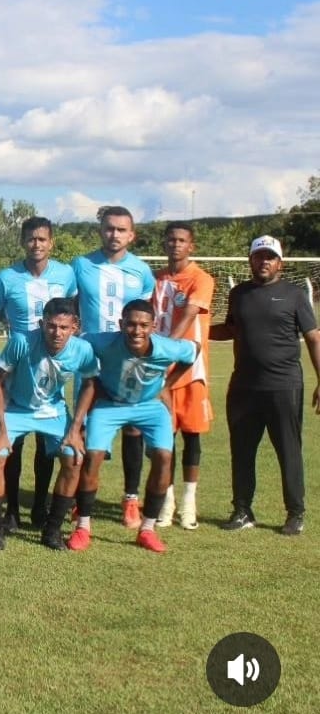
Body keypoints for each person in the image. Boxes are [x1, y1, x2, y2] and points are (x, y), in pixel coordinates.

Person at [67, 300, 198, 554]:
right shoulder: (103, 341)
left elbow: (194, 351)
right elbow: (79, 339)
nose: (136, 330)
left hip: (149, 405)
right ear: (121, 324)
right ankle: (83, 527)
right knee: (92, 457)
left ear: (154, 326)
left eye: (143, 325)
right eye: (130, 324)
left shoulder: (167, 347)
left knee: (163, 457)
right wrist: (94, 378)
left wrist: (167, 385)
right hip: (110, 404)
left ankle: (147, 529)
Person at [210, 235, 320, 536]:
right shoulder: (239, 293)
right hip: (243, 387)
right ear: (250, 260)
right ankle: (242, 510)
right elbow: (230, 329)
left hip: (283, 386)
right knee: (242, 451)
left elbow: (313, 338)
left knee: (289, 451)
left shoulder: (295, 294)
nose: (264, 261)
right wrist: (197, 330)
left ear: (280, 263)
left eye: (270, 257)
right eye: (259, 256)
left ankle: (295, 513)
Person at [0, 216, 77, 532]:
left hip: (51, 366)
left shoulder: (66, 274)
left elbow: (72, 313)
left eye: (42, 239)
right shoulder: (6, 278)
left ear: (51, 242)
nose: (36, 244)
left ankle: (39, 504)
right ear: (22, 241)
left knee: (48, 441)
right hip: (17, 362)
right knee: (13, 439)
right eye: (31, 239)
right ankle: (11, 510)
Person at [0, 299, 97, 551]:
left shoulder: (82, 350)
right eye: (51, 326)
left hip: (52, 411)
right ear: (41, 323)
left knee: (74, 458)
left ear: (74, 327)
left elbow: (90, 384)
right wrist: (1, 430)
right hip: (15, 408)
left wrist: (76, 428)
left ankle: (52, 530)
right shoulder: (21, 341)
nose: (57, 333)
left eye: (63, 327)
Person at [72, 206, 155, 531]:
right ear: (100, 231)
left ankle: (131, 499)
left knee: (132, 429)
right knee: (85, 427)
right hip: (91, 361)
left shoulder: (142, 271)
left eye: (121, 230)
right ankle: (80, 499)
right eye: (109, 228)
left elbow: (145, 317)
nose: (114, 235)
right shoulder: (80, 265)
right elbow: (69, 307)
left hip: (130, 361)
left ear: (131, 235)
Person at [150, 222, 215, 530]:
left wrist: (167, 348)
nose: (175, 244)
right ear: (164, 244)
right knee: (164, 440)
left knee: (192, 438)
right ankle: (167, 501)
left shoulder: (202, 279)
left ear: (192, 246)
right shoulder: (158, 279)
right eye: (171, 239)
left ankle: (189, 504)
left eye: (181, 240)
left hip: (190, 371)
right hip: (160, 373)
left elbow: (190, 314)